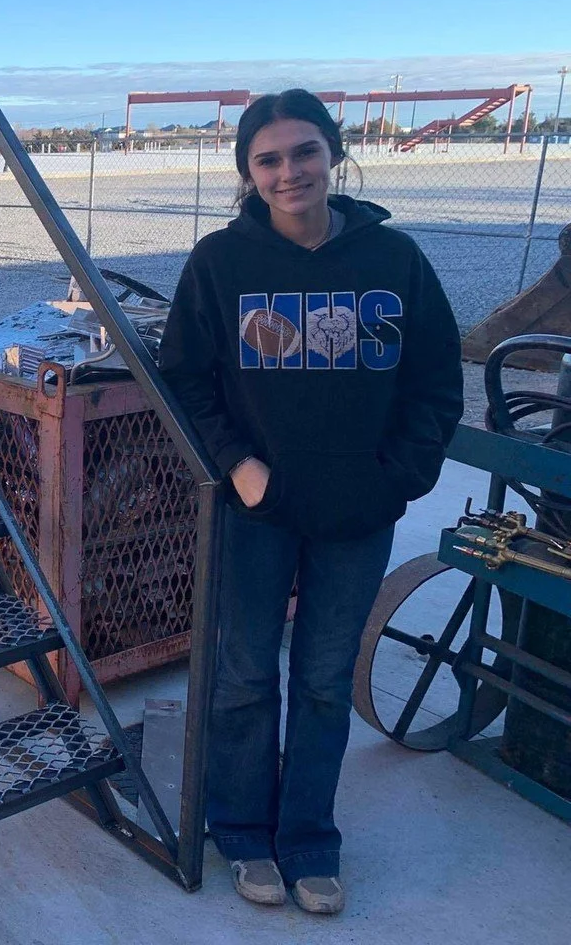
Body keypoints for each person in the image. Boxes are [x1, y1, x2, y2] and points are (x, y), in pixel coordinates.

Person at [159, 89, 463, 914]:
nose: (288, 171)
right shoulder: (220, 263)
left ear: (335, 154)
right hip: (257, 508)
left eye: (304, 152)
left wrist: (397, 476)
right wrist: (237, 465)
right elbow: (183, 379)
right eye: (268, 159)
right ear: (248, 173)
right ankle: (241, 831)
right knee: (245, 675)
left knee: (326, 680)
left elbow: (437, 381)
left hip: (359, 511)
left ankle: (307, 840)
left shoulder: (393, 259)